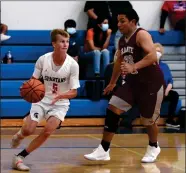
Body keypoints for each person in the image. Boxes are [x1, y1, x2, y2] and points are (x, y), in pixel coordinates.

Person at [84, 8, 165, 163]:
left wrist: (134, 66)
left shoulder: (142, 34)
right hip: (133, 83)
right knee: (113, 108)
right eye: (118, 21)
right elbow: (118, 63)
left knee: (147, 120)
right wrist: (112, 82)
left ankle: (154, 146)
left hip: (151, 83)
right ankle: (104, 149)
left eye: (122, 21)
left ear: (133, 22)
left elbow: (152, 56)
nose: (119, 24)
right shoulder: (122, 40)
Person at [10, 29, 80, 171]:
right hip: (42, 99)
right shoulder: (43, 59)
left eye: (67, 41)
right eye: (62, 41)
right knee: (29, 130)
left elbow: (74, 92)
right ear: (54, 43)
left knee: (48, 130)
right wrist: (27, 88)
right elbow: (34, 80)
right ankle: (20, 135)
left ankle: (19, 157)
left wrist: (61, 96)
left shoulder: (73, 65)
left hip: (60, 104)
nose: (65, 44)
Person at [155, 43, 180, 128]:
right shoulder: (149, 65)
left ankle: (170, 120)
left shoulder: (165, 66)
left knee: (174, 95)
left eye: (159, 52)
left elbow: (170, 81)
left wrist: (167, 90)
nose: (157, 53)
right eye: (155, 51)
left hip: (164, 90)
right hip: (153, 92)